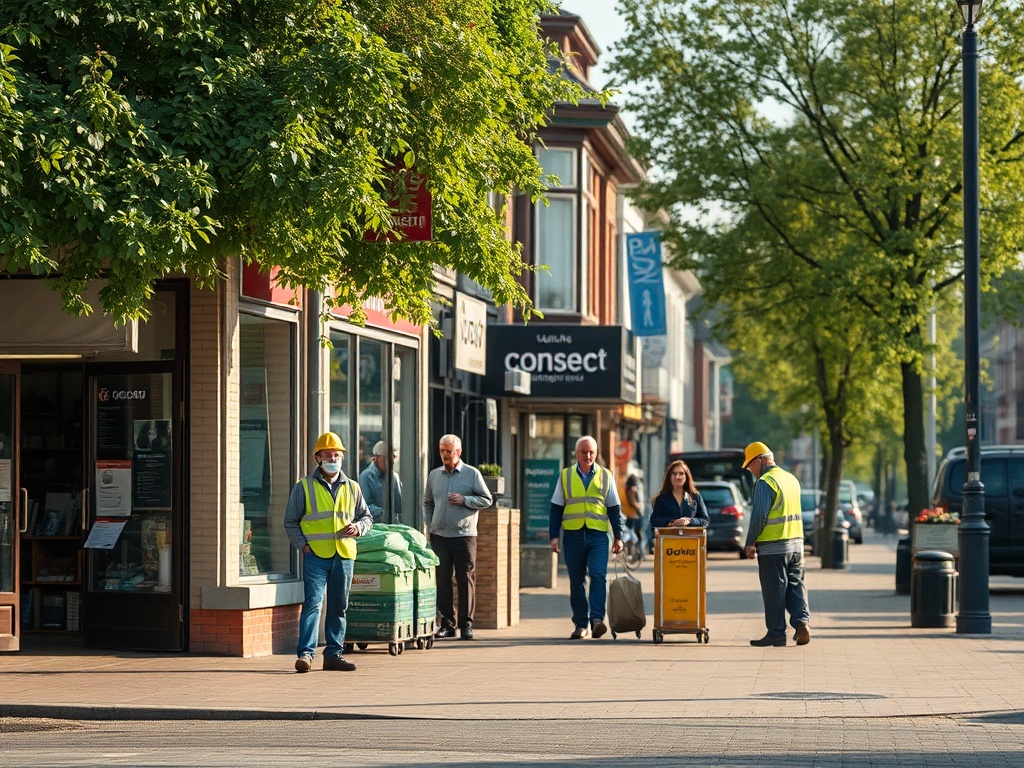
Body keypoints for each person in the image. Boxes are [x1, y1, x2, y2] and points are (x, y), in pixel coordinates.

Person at [283, 431, 373, 672]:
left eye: (337, 454)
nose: (333, 458)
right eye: (328, 454)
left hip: (343, 554)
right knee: (313, 603)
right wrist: (303, 545)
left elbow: (367, 517)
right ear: (318, 458)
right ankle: (306, 655)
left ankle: (333, 654)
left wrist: (358, 527)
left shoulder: (352, 487)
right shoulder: (304, 486)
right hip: (315, 555)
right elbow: (291, 521)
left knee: (338, 606)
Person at [549, 435, 625, 639]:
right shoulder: (565, 476)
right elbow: (556, 508)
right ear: (577, 453)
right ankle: (581, 624)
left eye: (592, 452)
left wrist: (618, 536)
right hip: (573, 535)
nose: (588, 456)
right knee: (576, 581)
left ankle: (597, 620)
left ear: (596, 453)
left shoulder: (606, 475)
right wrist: (553, 536)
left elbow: (614, 508)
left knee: (598, 575)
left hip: (598, 535)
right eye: (584, 452)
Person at [424, 434, 493, 640]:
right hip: (439, 536)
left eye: (450, 451)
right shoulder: (434, 475)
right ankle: (447, 624)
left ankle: (466, 625)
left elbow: (487, 499)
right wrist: (430, 524)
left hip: (464, 536)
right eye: (442, 451)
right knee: (443, 579)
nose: (446, 454)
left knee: (465, 579)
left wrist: (465, 500)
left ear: (459, 452)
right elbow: (427, 502)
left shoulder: (472, 474)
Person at [742, 441, 811, 647]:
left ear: (760, 460)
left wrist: (750, 541)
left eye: (750, 465)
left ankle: (776, 633)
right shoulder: (791, 479)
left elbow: (759, 516)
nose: (750, 470)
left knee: (774, 589)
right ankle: (801, 623)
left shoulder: (766, 481)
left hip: (773, 545)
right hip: (796, 544)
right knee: (796, 585)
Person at [649, 460, 710, 532]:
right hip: (669, 539)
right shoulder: (661, 498)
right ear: (669, 477)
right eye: (674, 474)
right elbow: (654, 520)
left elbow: (705, 520)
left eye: (681, 473)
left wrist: (689, 521)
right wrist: (672, 522)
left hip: (691, 539)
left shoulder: (695, 496)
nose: (677, 477)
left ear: (686, 476)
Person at [358, 440, 403, 523]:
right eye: (387, 458)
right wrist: (386, 514)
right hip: (374, 528)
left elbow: (399, 507)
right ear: (376, 458)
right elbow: (365, 506)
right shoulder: (366, 477)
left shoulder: (394, 477)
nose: (392, 462)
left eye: (393, 457)